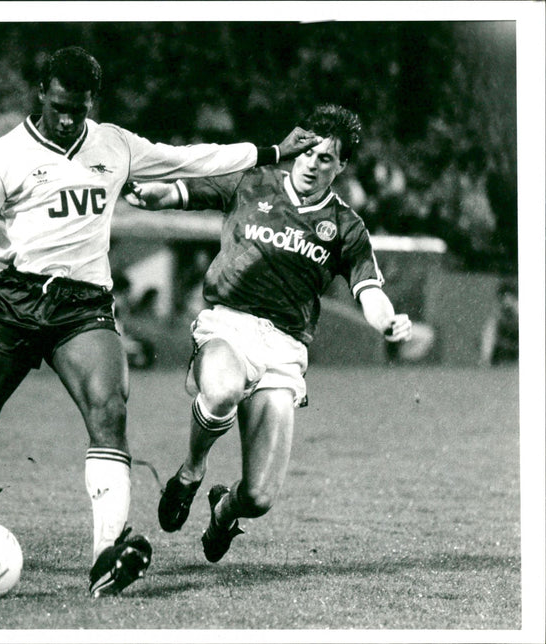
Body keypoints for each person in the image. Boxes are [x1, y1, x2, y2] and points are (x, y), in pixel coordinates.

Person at [0, 46, 321, 598]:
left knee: (110, 412)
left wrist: (271, 150)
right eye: (60, 105)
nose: (68, 117)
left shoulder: (112, 143)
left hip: (84, 307)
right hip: (18, 303)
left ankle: (104, 560)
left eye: (79, 107)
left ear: (93, 101)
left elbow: (187, 158)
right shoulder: (5, 156)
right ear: (42, 94)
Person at [125, 104, 413, 563]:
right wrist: (151, 195)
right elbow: (183, 191)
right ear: (296, 148)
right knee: (220, 391)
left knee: (259, 498)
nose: (312, 164)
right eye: (308, 152)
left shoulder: (344, 226)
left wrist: (388, 321)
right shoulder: (252, 181)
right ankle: (191, 472)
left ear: (341, 166)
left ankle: (223, 511)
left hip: (284, 351)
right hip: (228, 324)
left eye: (326, 158)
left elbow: (369, 289)